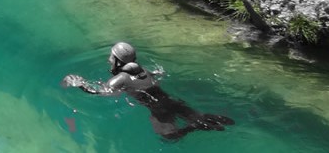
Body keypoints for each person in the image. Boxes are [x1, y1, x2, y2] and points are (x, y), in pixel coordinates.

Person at [62, 42, 234, 140]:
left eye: (111, 57)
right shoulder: (143, 70)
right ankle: (202, 121)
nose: (108, 59)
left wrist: (81, 84)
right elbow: (156, 75)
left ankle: (193, 127)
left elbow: (102, 93)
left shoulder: (120, 79)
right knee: (200, 118)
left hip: (158, 109)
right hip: (171, 100)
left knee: (169, 137)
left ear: (118, 61)